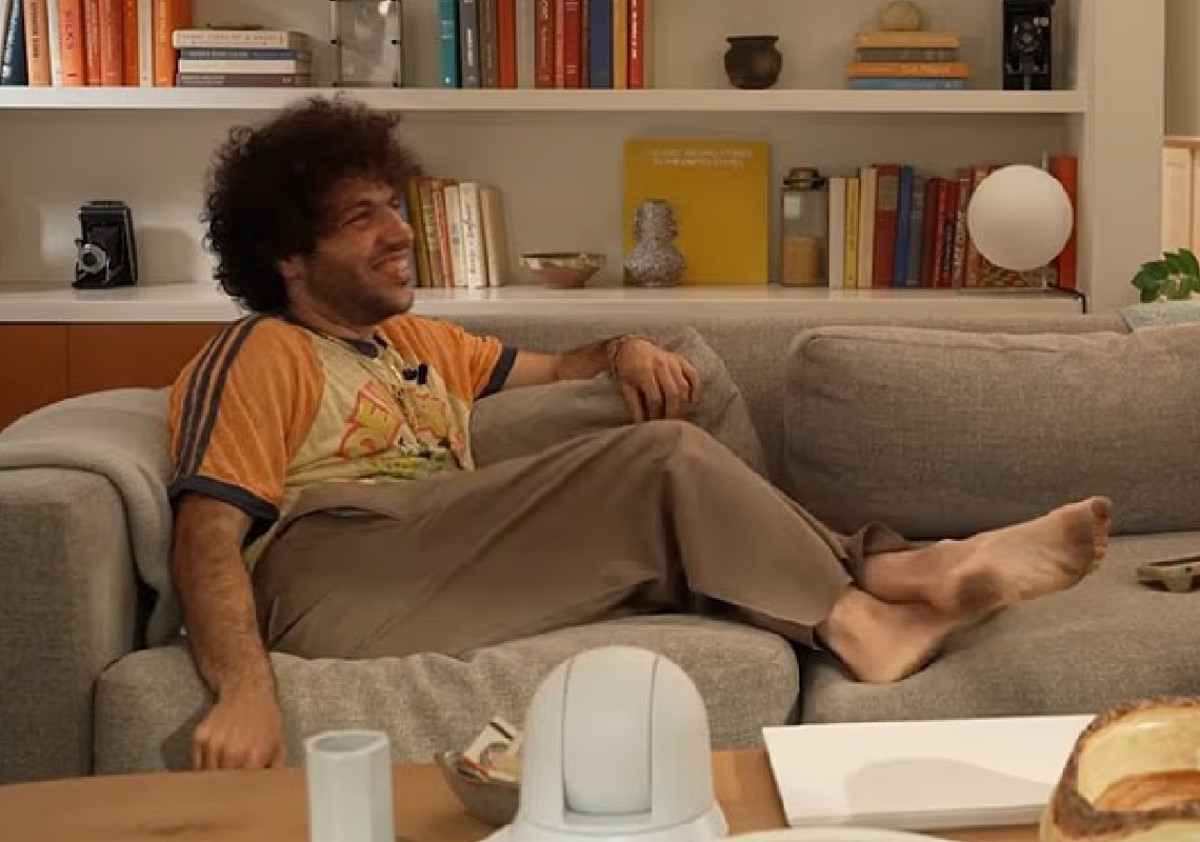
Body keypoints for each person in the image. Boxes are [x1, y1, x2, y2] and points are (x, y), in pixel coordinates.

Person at [168, 95, 1112, 773]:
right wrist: (247, 692)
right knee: (660, 458)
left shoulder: (419, 344)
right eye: (359, 218)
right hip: (332, 575)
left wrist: (622, 349)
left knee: (670, 493)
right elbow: (207, 535)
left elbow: (556, 369)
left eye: (392, 205)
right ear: (288, 256)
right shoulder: (261, 352)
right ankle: (879, 596)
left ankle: (893, 581)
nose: (399, 231)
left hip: (436, 563)